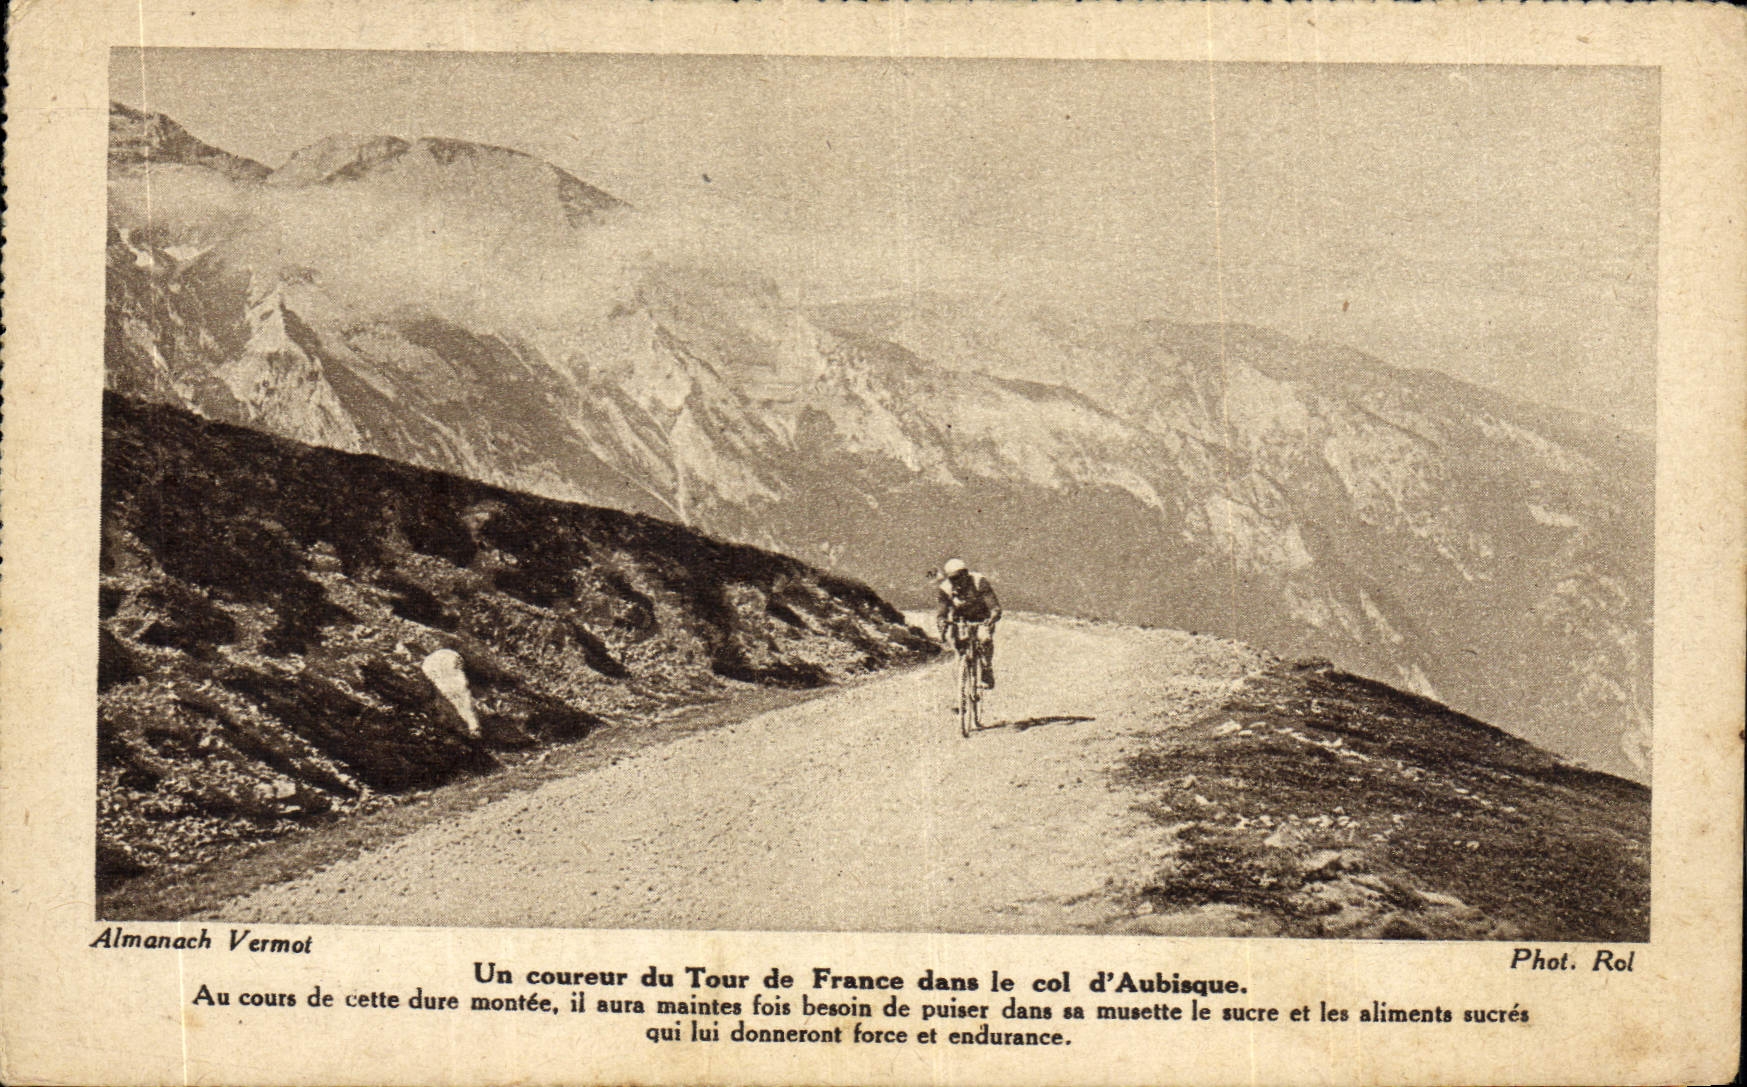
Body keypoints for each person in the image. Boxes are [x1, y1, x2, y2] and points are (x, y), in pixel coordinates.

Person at [935, 558, 1002, 688]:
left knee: (984, 639)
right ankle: (962, 682)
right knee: (958, 646)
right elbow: (941, 612)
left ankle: (987, 669)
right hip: (960, 619)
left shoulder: (979, 581)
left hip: (982, 617)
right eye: (952, 579)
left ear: (966, 573)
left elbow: (993, 606)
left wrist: (993, 617)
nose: (956, 582)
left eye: (959, 577)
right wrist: (942, 623)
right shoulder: (945, 588)